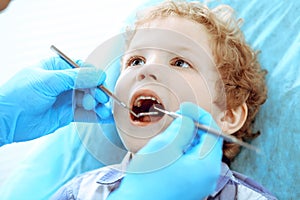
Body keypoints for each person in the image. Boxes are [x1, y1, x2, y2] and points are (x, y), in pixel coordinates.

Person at [52, 1, 277, 199]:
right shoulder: (80, 193)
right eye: (136, 61)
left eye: (180, 62)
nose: (147, 69)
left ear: (228, 114)